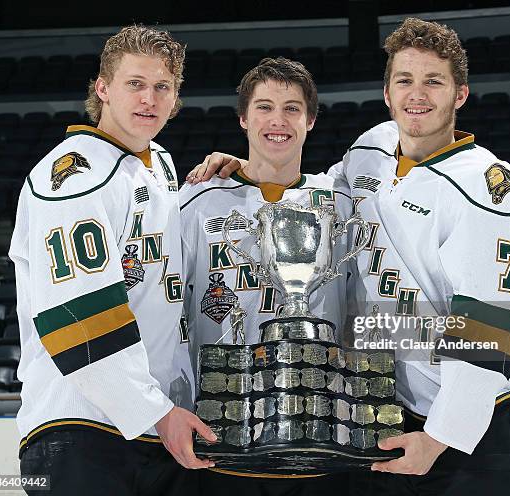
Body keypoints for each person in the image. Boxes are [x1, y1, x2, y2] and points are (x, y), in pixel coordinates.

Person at [185, 18, 510, 496]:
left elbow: (491, 331)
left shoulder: (492, 188)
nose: (417, 94)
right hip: (390, 414)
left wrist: (442, 437)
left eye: (433, 81)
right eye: (405, 80)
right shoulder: (370, 151)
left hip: (479, 425)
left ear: (460, 94)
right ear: (386, 92)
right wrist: (241, 172)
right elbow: (307, 195)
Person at [9, 25, 215, 496]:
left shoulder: (156, 162)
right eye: (135, 84)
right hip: (79, 430)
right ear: (102, 89)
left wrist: (223, 179)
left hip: (146, 425)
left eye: (162, 87)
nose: (149, 98)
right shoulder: (74, 178)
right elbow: (77, 319)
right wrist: (156, 411)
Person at [176, 57, 353, 496]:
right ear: (242, 118)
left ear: (311, 120)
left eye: (292, 109)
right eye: (264, 107)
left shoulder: (341, 204)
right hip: (224, 432)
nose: (278, 121)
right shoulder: (197, 203)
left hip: (321, 431)